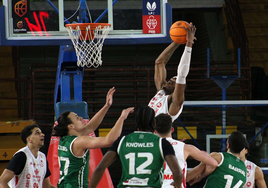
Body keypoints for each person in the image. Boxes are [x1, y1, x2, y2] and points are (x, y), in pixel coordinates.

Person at [53, 87, 134, 188]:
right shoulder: (80, 141)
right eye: (77, 118)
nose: (81, 118)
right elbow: (110, 140)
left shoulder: (64, 139)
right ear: (71, 126)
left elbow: (90, 127)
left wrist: (106, 106)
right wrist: (122, 117)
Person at [89, 106, 183, 188]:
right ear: (154, 123)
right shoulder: (161, 143)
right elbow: (177, 173)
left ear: (136, 122)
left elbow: (100, 168)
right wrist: (177, 185)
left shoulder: (122, 140)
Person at [148, 22, 196, 122]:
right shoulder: (160, 93)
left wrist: (189, 44)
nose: (169, 82)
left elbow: (182, 75)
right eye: (170, 80)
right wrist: (177, 41)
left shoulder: (175, 103)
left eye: (173, 83)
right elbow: (159, 62)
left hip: (157, 137)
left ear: (177, 89)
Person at [154, 113, 218, 188]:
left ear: (154, 131)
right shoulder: (185, 148)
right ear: (172, 129)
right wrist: (200, 174)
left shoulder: (148, 147)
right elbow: (214, 163)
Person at [0, 124, 55, 188]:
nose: (42, 134)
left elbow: (47, 186)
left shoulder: (42, 157)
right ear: (29, 139)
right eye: (37, 133)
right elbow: (2, 181)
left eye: (41, 132)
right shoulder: (21, 156)